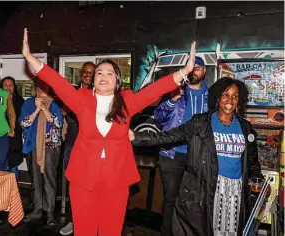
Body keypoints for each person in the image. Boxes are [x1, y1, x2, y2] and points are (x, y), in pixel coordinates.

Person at [22, 28, 196, 236]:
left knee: (111, 231)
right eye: (99, 73)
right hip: (83, 180)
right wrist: (30, 58)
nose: (103, 76)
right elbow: (58, 83)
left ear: (117, 81)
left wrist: (184, 72)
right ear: (94, 81)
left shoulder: (127, 101)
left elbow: (154, 90)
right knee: (84, 231)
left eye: (109, 73)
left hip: (116, 181)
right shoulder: (82, 99)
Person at [130, 77, 262, 236]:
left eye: (235, 96)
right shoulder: (201, 123)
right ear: (218, 97)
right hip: (208, 190)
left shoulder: (245, 127)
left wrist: (258, 179)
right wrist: (136, 137)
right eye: (226, 95)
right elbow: (169, 136)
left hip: (236, 192)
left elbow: (252, 162)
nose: (230, 100)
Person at [153, 56, 208, 236]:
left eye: (198, 67)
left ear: (204, 71)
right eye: (191, 68)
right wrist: (172, 100)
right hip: (172, 154)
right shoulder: (175, 90)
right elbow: (159, 118)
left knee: (196, 200)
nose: (194, 71)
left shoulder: (213, 96)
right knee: (171, 199)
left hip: (200, 156)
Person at [20, 79, 63, 225]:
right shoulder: (28, 103)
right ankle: (37, 209)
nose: (40, 91)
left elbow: (58, 123)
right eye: (38, 88)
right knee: (36, 179)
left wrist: (45, 108)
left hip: (50, 147)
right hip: (33, 146)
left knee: (49, 179)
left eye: (43, 88)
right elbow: (23, 123)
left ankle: (50, 212)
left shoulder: (53, 103)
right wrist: (37, 109)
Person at [60, 61, 95, 235]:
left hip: (93, 149)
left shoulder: (100, 94)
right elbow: (65, 113)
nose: (88, 75)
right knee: (73, 186)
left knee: (92, 186)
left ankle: (90, 221)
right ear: (81, 74)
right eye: (86, 72)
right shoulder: (73, 91)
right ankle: (73, 221)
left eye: (91, 72)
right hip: (72, 144)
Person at [1, 76, 25, 180]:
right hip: (1, 137)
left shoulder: (20, 100)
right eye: (5, 85)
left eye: (11, 85)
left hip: (15, 138)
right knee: (1, 167)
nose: (8, 88)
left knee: (13, 167)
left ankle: (14, 194)